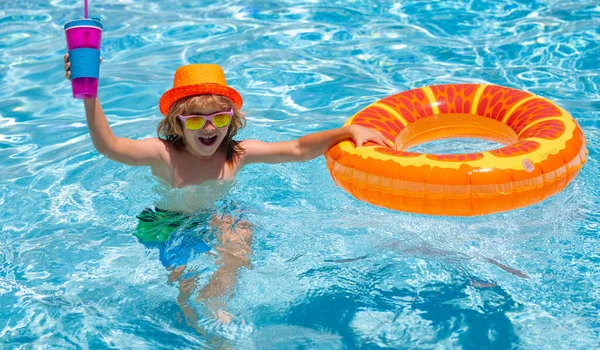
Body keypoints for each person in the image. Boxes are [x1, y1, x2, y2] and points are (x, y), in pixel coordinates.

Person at [63, 57, 392, 326]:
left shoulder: (237, 154)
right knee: (186, 282)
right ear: (177, 124)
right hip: (169, 223)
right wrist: (89, 93)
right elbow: (110, 146)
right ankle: (200, 325)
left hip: (217, 214)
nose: (208, 128)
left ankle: (219, 299)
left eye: (219, 118)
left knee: (239, 232)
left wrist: (347, 130)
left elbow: (295, 148)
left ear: (231, 120)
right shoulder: (164, 155)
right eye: (195, 121)